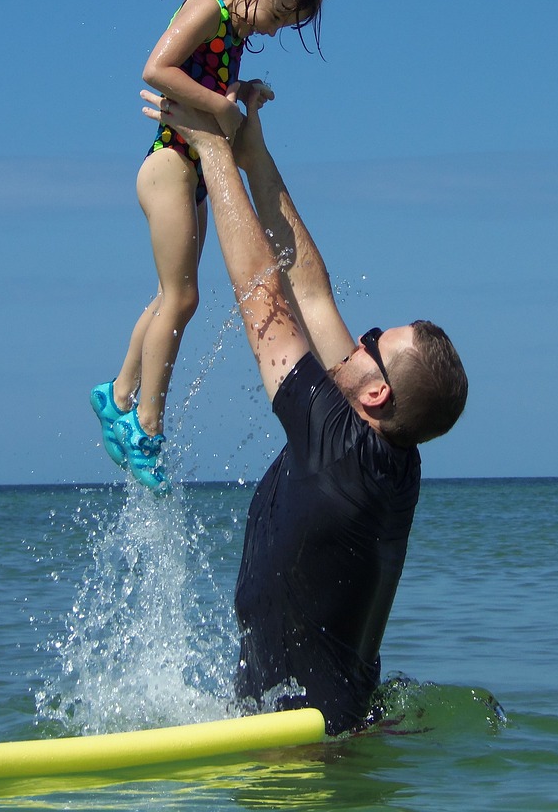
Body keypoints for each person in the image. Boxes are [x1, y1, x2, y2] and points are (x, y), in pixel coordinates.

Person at [140, 83, 469, 735]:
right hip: (338, 725)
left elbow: (261, 295)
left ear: (376, 393)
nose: (361, 338)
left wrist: (209, 150)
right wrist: (253, 154)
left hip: (301, 747)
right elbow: (309, 290)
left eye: (373, 342)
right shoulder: (386, 449)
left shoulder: (336, 450)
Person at [91, 0, 325, 492]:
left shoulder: (231, 28)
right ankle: (146, 425)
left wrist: (240, 91)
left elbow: (204, 75)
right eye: (278, 14)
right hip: (170, 162)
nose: (274, 29)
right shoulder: (207, 8)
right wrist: (222, 106)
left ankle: (118, 394)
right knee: (183, 296)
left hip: (191, 167)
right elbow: (157, 69)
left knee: (171, 294)